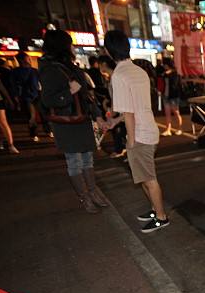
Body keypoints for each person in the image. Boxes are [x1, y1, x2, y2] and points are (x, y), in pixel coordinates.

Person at [105, 30, 169, 233]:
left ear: (108, 51)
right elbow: (134, 107)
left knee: (148, 178)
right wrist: (115, 122)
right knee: (143, 177)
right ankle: (154, 209)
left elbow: (129, 112)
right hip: (149, 129)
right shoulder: (138, 71)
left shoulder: (119, 75)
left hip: (139, 134)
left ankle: (161, 217)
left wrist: (131, 142)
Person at [39, 30, 109, 213]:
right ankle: (84, 197)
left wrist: (98, 116)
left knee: (88, 159)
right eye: (70, 44)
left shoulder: (72, 67)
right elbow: (47, 100)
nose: (73, 47)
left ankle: (93, 193)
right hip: (65, 122)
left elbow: (87, 96)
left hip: (82, 119)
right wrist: (68, 93)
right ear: (62, 46)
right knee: (74, 162)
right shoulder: (50, 69)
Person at [11, 51, 52, 142]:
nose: (30, 59)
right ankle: (34, 133)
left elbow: (42, 82)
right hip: (26, 97)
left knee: (44, 114)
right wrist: (16, 96)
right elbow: (14, 85)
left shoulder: (34, 70)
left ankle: (48, 130)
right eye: (27, 58)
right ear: (21, 60)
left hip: (37, 95)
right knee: (31, 116)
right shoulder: (16, 72)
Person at [98, 54, 126, 158]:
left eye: (100, 65)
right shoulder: (112, 78)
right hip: (120, 109)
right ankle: (122, 150)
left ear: (104, 64)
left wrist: (110, 113)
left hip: (122, 110)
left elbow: (116, 98)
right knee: (122, 130)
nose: (99, 67)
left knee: (121, 130)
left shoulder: (115, 78)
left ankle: (121, 150)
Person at [160, 58, 183, 137]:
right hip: (167, 96)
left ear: (167, 65)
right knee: (168, 113)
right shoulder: (165, 74)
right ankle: (168, 129)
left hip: (173, 96)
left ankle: (179, 128)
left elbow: (176, 85)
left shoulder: (174, 74)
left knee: (176, 112)